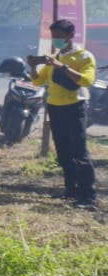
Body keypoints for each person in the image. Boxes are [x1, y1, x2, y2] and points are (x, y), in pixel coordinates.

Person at [28, 19, 98, 209]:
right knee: (64, 152)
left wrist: (63, 67)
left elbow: (86, 80)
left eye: (59, 36)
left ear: (70, 36)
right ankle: (71, 190)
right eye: (54, 36)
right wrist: (33, 66)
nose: (56, 40)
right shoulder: (53, 57)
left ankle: (88, 195)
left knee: (79, 151)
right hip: (55, 107)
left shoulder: (84, 56)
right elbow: (37, 81)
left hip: (75, 107)